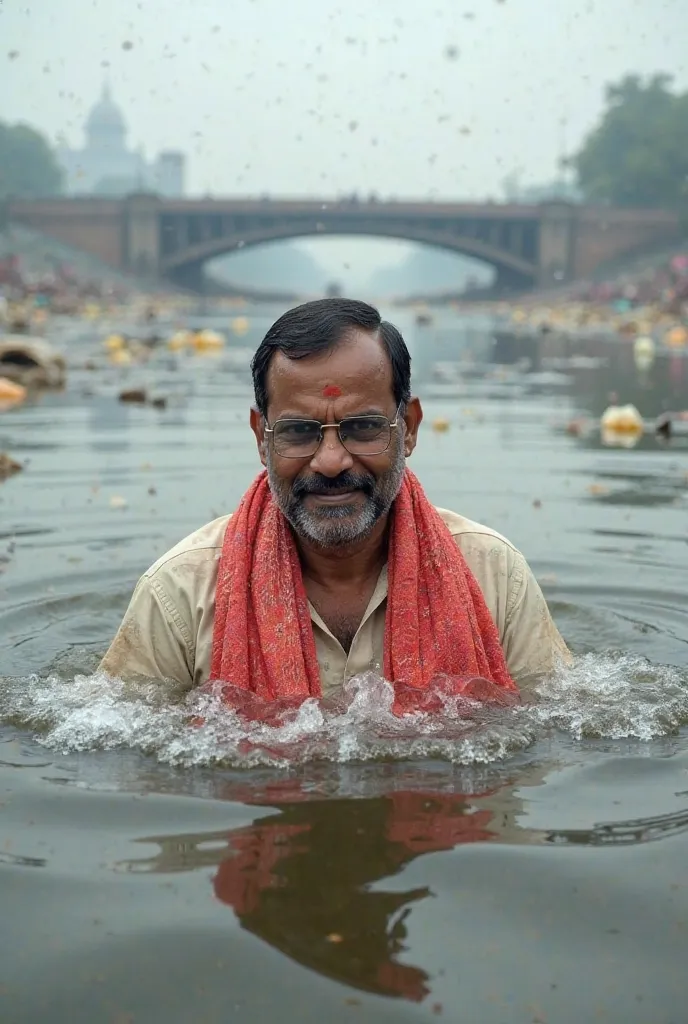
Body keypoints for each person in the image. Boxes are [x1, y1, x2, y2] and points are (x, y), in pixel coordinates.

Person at [99, 298, 569, 705]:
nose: (330, 461)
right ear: (261, 439)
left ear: (408, 428)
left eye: (362, 427)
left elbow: (555, 725)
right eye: (299, 431)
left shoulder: (493, 576)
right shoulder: (181, 593)